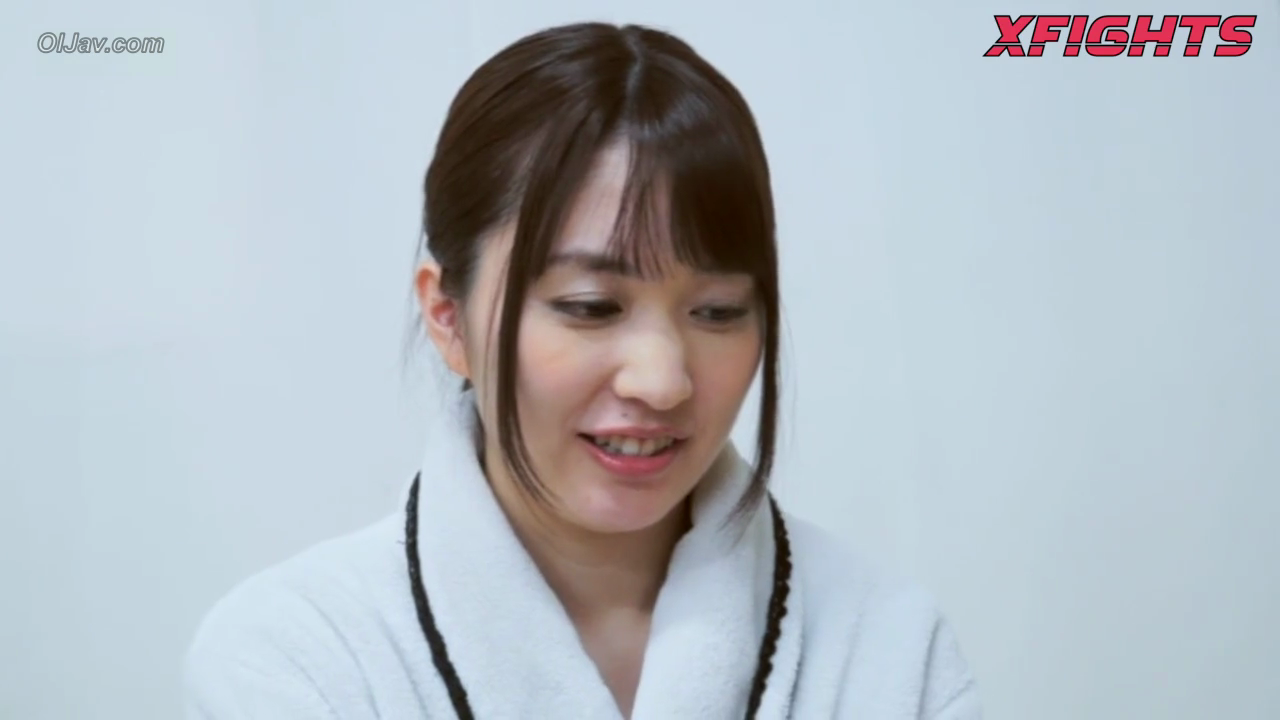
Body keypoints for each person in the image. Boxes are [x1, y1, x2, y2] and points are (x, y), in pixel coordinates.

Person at [183, 21, 982, 719]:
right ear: (447, 316)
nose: (662, 381)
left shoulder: (887, 648)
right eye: (592, 306)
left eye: (717, 312)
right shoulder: (298, 658)